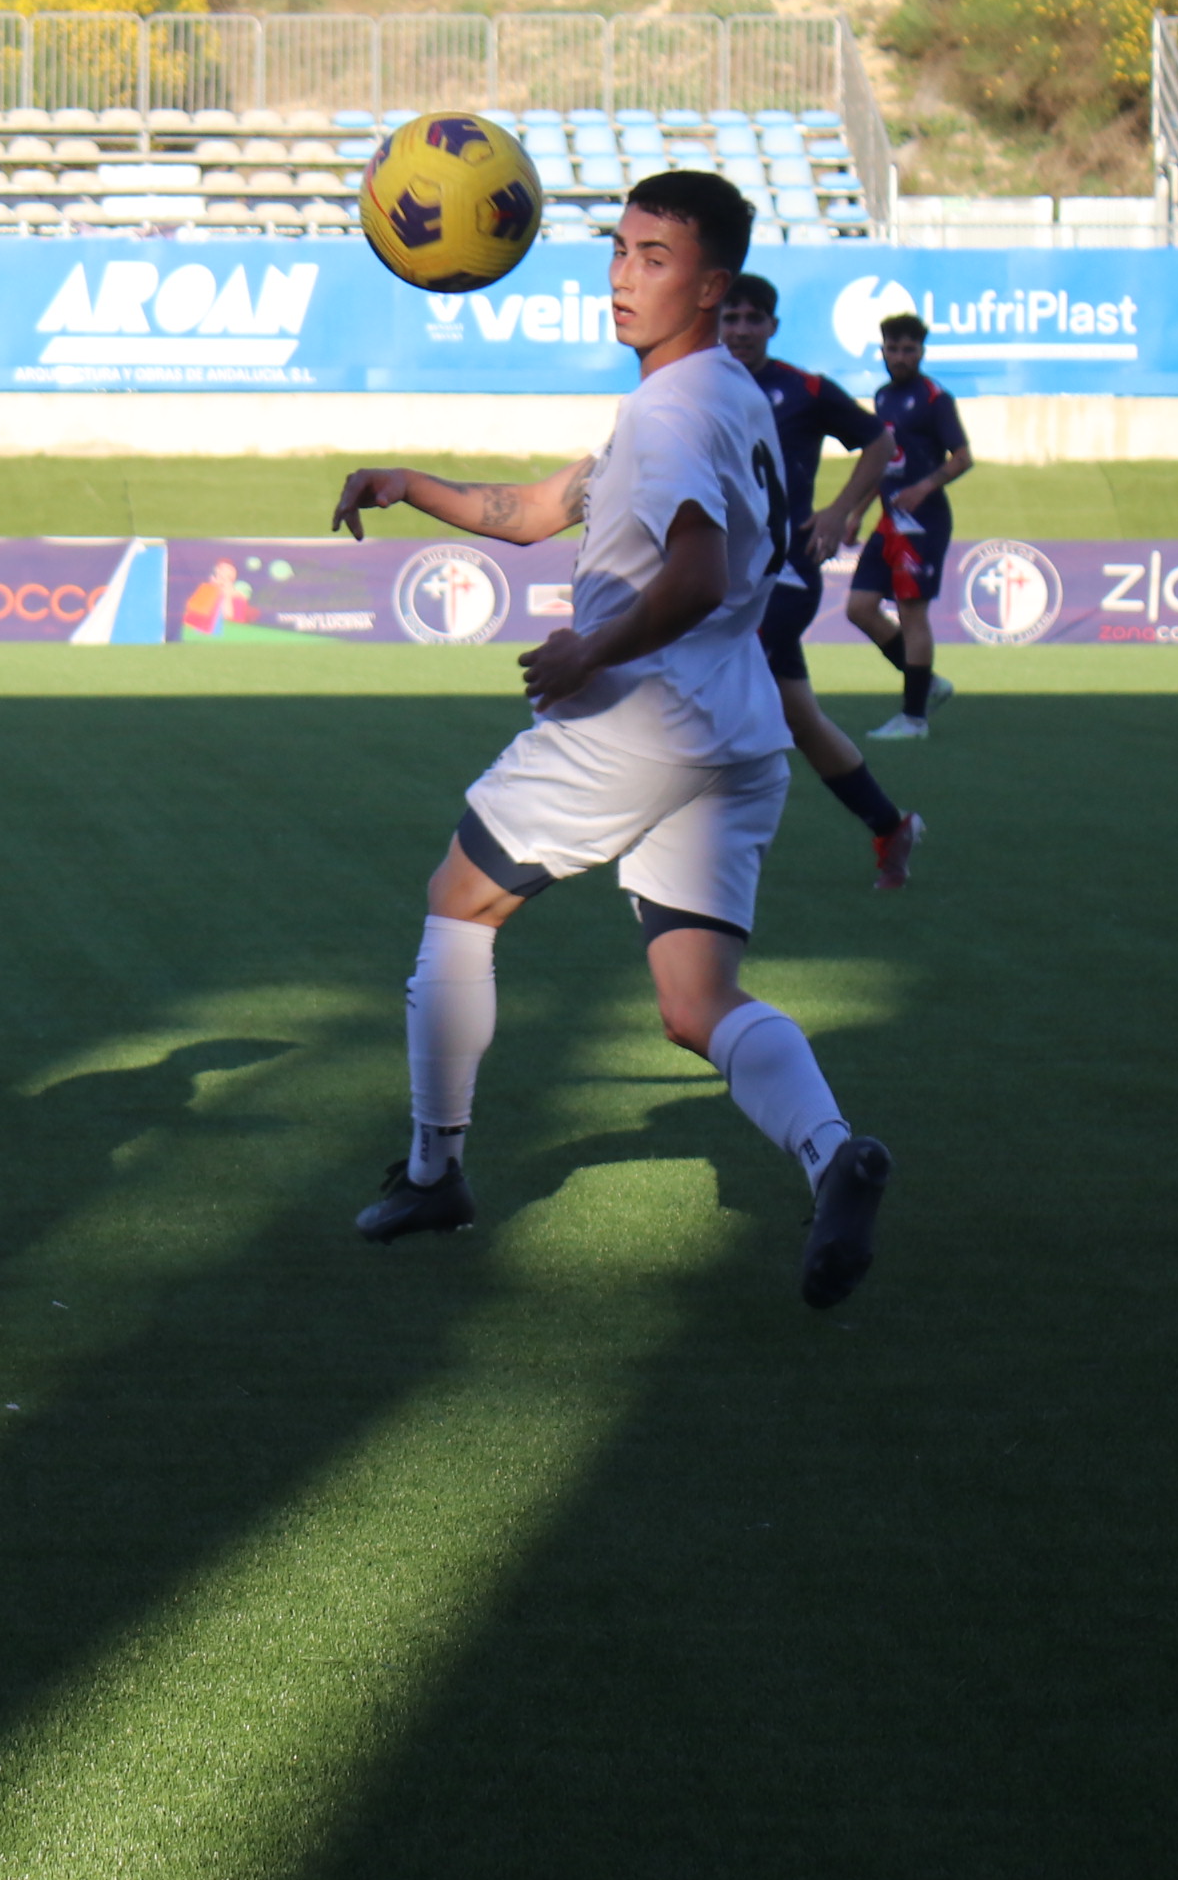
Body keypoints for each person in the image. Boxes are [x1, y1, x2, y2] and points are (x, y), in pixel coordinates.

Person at [328, 172, 895, 1310]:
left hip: (644, 713)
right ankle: (835, 1151)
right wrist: (406, 483)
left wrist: (592, 653)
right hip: (734, 726)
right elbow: (537, 510)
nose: (624, 277)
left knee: (459, 901)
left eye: (656, 258)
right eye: (622, 250)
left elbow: (688, 575)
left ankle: (436, 1170)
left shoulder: (675, 411)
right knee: (697, 1000)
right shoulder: (723, 389)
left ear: (714, 283)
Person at [716, 274, 925, 892]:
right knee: (799, 716)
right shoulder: (698, 386)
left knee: (722, 684)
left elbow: (880, 442)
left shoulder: (801, 388)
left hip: (784, 573)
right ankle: (890, 824)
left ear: (773, 327)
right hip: (724, 576)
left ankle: (710, 844)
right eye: (731, 318)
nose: (742, 330)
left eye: (754, 318)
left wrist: (841, 512)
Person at [833, 310, 968, 740]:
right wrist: (857, 511)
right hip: (890, 520)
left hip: (923, 522)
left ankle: (914, 718)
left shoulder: (934, 399)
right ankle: (927, 684)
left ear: (922, 351)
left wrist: (924, 487)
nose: (900, 356)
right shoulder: (883, 397)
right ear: (883, 350)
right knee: (859, 608)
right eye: (893, 348)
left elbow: (962, 458)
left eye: (909, 349)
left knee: (912, 614)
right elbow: (882, 461)